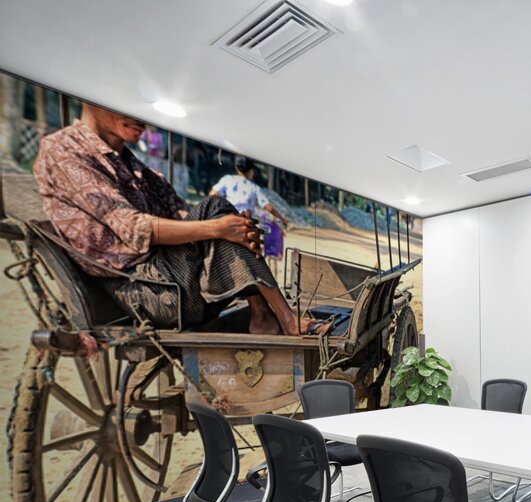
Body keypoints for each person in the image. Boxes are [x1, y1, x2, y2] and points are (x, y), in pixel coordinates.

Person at [32, 104, 326, 336]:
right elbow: (133, 226)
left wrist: (234, 228)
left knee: (222, 213)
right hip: (146, 292)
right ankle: (284, 318)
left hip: (174, 280)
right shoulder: (63, 150)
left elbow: (182, 213)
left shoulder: (130, 162)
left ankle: (262, 314)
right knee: (216, 209)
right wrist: (216, 227)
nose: (142, 119)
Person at [211, 157, 289, 279]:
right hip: (246, 227)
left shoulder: (228, 180)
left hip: (228, 223)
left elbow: (213, 195)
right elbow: (269, 208)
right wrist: (283, 219)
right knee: (248, 258)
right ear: (251, 171)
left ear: (236, 168)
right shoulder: (254, 188)